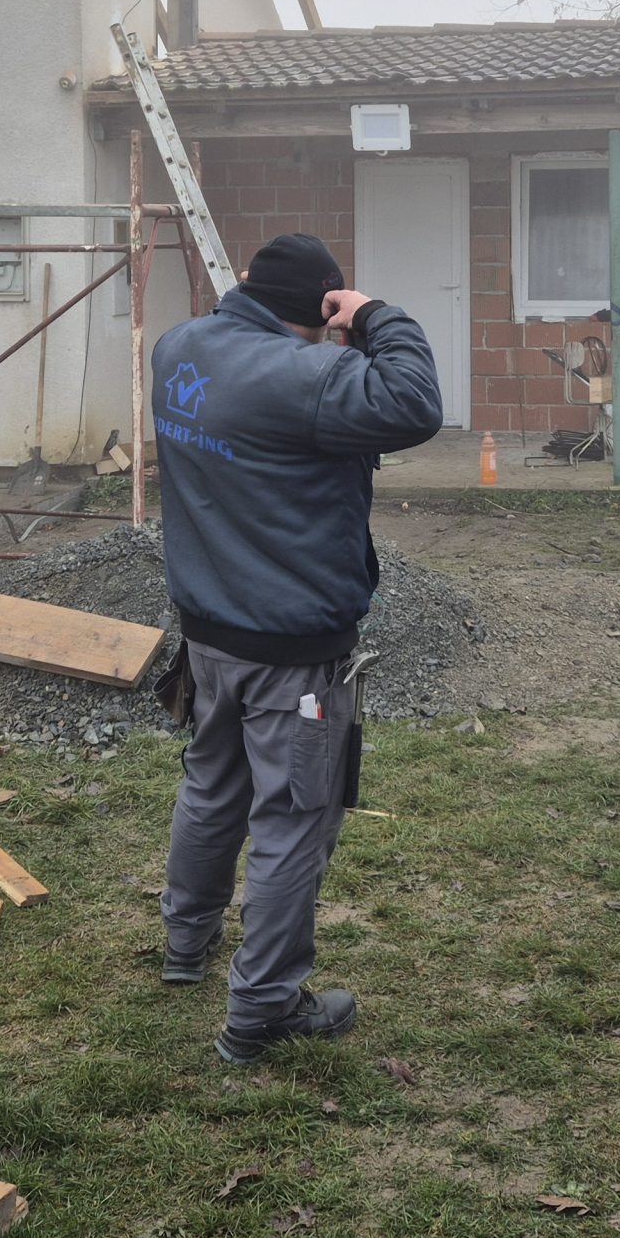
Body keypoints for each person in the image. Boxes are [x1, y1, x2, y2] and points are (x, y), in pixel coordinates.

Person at [151, 232, 444, 1061]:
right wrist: (375, 316)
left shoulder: (179, 347)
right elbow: (414, 404)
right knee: (292, 822)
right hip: (292, 651)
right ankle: (263, 1010)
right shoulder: (301, 376)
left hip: (208, 633)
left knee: (212, 787)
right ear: (320, 306)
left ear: (247, 285)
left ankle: (185, 942)